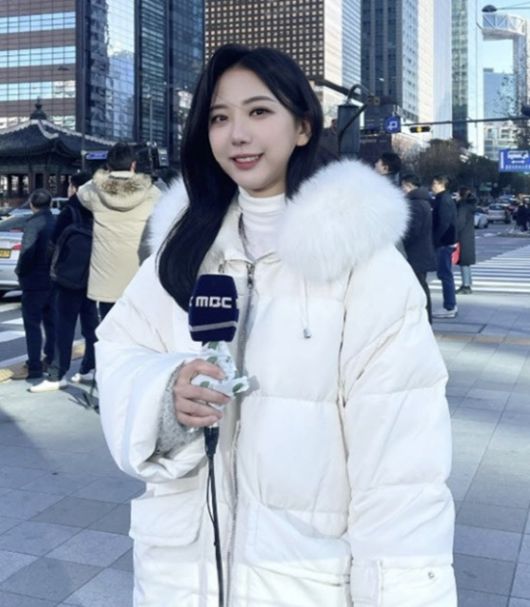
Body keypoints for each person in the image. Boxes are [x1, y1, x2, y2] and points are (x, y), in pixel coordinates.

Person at [96, 45, 456, 606]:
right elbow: (119, 350)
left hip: (300, 579)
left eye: (259, 111)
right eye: (219, 117)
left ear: (303, 126)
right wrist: (165, 394)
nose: (237, 134)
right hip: (180, 576)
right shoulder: (182, 251)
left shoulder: (363, 264)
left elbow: (402, 473)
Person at [29, 172, 99, 392]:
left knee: (64, 326)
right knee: (91, 325)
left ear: (75, 188)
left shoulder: (70, 210)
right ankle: (89, 367)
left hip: (69, 277)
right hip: (94, 274)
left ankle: (57, 374)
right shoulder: (100, 209)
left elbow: (53, 242)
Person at [77, 142, 160, 320]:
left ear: (108, 166)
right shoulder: (151, 192)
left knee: (110, 328)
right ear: (133, 165)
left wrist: (100, 177)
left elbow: (81, 191)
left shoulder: (95, 192)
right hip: (138, 276)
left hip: (106, 280)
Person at [12, 189, 56, 380]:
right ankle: (51, 360)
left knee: (32, 326)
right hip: (53, 280)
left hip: (34, 281)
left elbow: (27, 252)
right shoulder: (56, 222)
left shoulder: (33, 224)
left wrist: (20, 272)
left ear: (31, 204)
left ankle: (35, 367)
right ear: (50, 204)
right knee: (52, 323)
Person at [400, 173, 437, 323]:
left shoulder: (414, 205)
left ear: (408, 186)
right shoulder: (424, 202)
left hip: (415, 254)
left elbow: (412, 231)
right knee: (421, 286)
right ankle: (425, 319)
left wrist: (401, 243)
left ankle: (425, 319)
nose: (402, 190)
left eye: (403, 186)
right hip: (422, 252)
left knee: (419, 287)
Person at [431, 175, 458, 319]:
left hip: (444, 242)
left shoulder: (444, 200)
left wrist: (436, 240)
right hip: (446, 241)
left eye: (434, 183)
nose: (432, 186)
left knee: (445, 274)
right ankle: (450, 305)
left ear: (441, 184)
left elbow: (444, 223)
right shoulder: (443, 198)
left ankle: (449, 306)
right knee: (445, 274)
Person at [455, 186, 477, 295]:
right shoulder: (470, 206)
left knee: (464, 262)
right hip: (468, 236)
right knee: (466, 262)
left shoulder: (463, 207)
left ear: (461, 195)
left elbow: (460, 222)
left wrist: (454, 232)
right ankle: (468, 283)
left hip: (463, 236)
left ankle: (466, 285)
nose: (456, 196)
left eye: (457, 194)